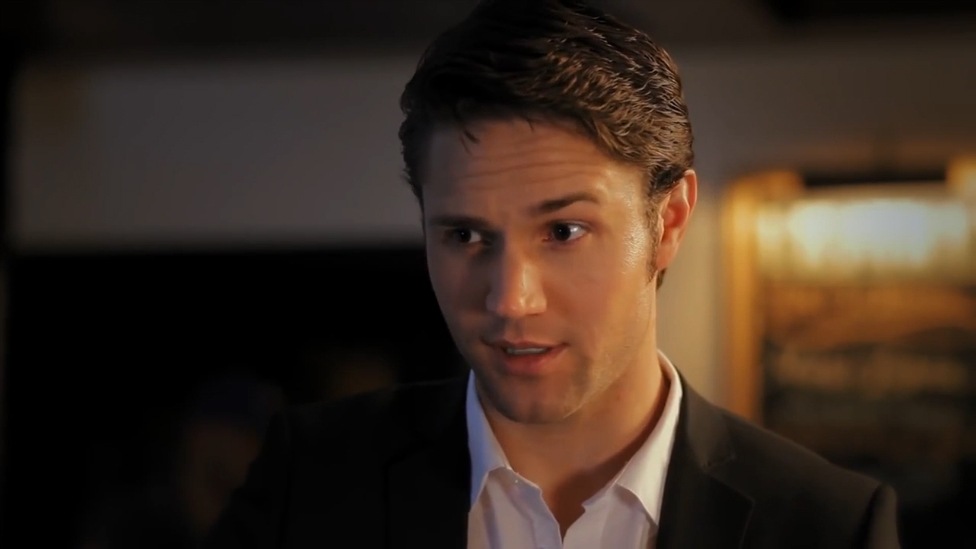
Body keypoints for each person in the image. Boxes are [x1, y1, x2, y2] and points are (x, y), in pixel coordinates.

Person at [204, 1, 900, 547]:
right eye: (465, 235)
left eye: (564, 232)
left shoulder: (828, 526)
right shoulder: (310, 477)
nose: (510, 299)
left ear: (669, 222)